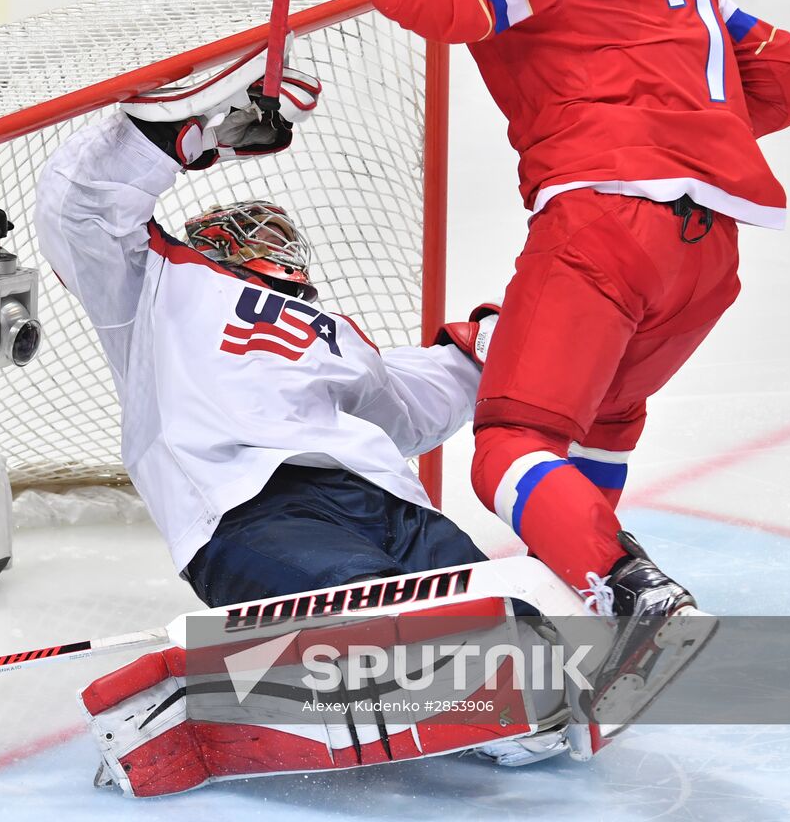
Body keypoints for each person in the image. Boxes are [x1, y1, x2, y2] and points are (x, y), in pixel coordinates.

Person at [259, 0, 790, 718]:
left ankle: (632, 592)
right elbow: (780, 75)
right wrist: (676, 106)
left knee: (510, 444)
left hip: (603, 230)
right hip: (708, 257)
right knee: (602, 417)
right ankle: (592, 600)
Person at [35, 50, 594, 796]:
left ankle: (499, 707)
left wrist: (492, 350)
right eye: (251, 230)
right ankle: (223, 705)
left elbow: (404, 407)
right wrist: (190, 129)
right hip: (253, 511)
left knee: (492, 613)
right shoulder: (154, 285)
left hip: (388, 504)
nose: (274, 240)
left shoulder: (330, 328)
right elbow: (79, 206)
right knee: (370, 619)